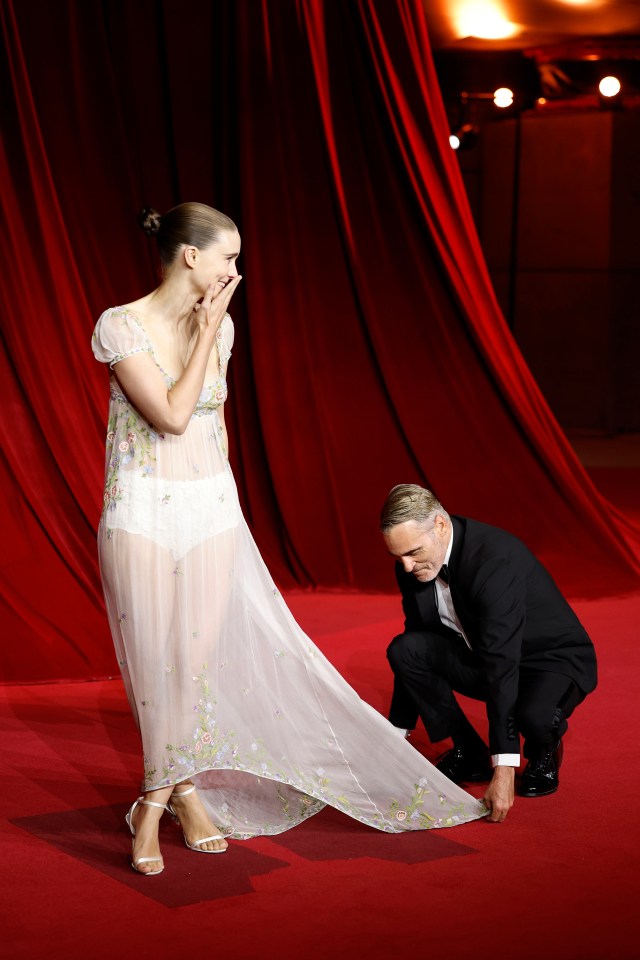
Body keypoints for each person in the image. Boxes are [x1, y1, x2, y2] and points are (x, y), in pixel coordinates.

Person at [92, 203, 486, 875]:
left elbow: (213, 430)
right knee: (154, 668)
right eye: (228, 257)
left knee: (191, 666)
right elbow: (172, 416)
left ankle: (160, 800)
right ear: (191, 257)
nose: (234, 271)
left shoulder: (226, 328)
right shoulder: (120, 324)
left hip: (210, 506)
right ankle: (176, 796)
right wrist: (208, 325)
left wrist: (216, 330)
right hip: (141, 510)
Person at [380, 483, 597, 824]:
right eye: (398, 557)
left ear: (440, 525)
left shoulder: (494, 559)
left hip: (549, 660)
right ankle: (470, 753)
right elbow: (417, 639)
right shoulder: (413, 564)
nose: (406, 567)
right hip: (481, 654)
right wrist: (394, 736)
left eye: (413, 552)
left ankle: (545, 749)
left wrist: (506, 767)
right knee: (406, 650)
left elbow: (502, 663)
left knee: (533, 716)